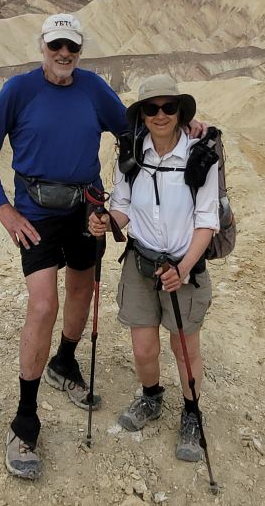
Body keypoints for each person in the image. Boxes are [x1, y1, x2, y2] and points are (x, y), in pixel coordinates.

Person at [0, 13, 128, 480]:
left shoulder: (94, 88)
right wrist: (4, 209)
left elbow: (131, 132)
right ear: (42, 46)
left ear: (80, 51)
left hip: (86, 209)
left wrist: (183, 123)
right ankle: (24, 418)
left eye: (72, 48)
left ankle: (64, 362)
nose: (64, 55)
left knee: (83, 290)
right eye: (56, 46)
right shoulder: (18, 91)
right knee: (43, 305)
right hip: (35, 213)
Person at [89, 75, 219, 463]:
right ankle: (151, 397)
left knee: (183, 347)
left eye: (168, 107)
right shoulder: (132, 155)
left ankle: (192, 413)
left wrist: (183, 268)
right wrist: (105, 222)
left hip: (184, 267)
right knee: (143, 348)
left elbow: (206, 220)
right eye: (151, 108)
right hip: (140, 263)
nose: (160, 115)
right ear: (141, 115)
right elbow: (123, 206)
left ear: (180, 111)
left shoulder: (200, 156)